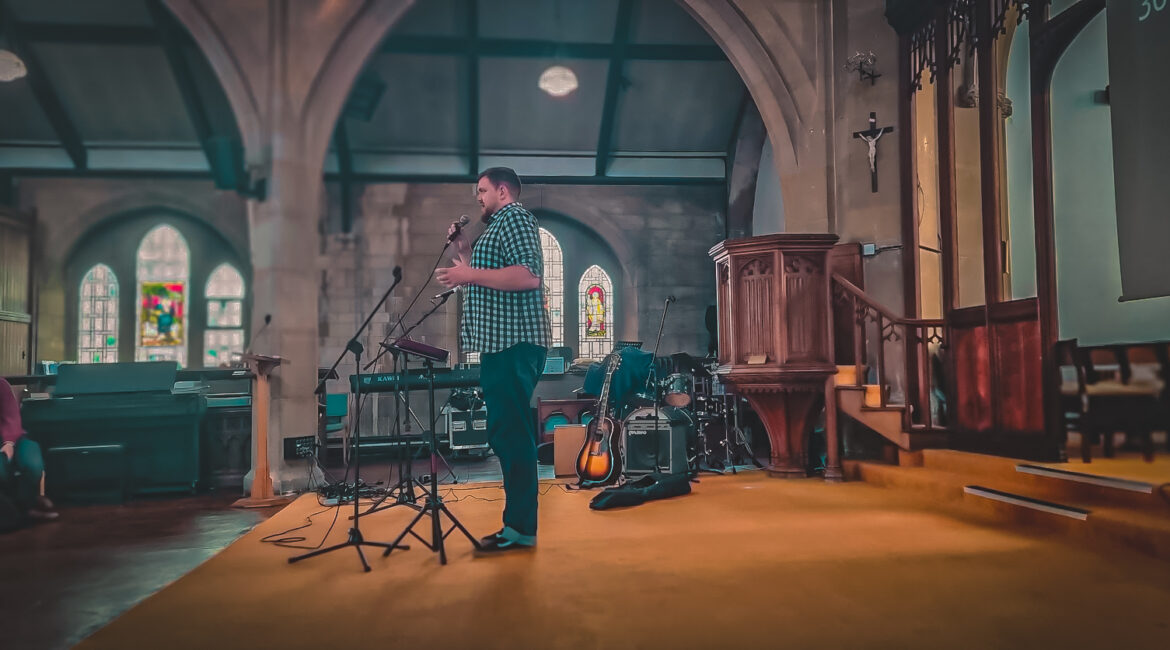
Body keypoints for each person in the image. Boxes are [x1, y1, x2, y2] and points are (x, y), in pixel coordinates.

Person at [437, 167, 550, 553]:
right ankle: (518, 526)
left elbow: (528, 275)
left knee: (512, 434)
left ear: (503, 191)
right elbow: (491, 274)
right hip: (502, 343)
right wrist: (465, 253)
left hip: (514, 343)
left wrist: (467, 273)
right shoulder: (498, 225)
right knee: (505, 433)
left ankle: (520, 529)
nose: (478, 197)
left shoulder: (515, 217)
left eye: (482, 190)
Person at [0, 377, 58, 524]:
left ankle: (30, 505)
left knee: (33, 463)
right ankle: (21, 512)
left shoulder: (1, 384)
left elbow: (12, 418)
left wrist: (8, 443)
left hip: (14, 437)